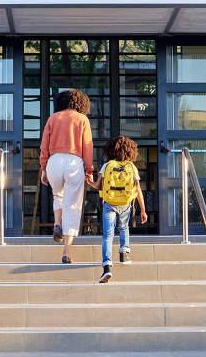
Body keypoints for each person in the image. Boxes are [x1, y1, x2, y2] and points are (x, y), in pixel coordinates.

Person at [39, 89, 94, 264]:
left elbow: (44, 146)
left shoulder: (52, 118)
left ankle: (57, 223)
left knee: (58, 195)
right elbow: (87, 146)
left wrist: (43, 168)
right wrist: (89, 169)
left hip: (54, 161)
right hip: (74, 162)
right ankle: (67, 251)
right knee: (73, 205)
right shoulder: (82, 119)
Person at [87, 136, 147, 283]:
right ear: (130, 151)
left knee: (108, 235)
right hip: (126, 203)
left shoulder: (106, 166)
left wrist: (89, 181)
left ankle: (107, 267)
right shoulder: (132, 167)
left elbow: (98, 185)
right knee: (124, 227)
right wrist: (143, 210)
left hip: (109, 203)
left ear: (110, 150)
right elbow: (138, 189)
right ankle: (124, 253)